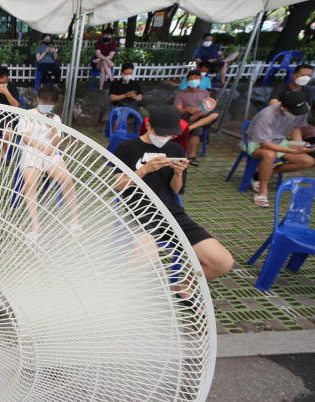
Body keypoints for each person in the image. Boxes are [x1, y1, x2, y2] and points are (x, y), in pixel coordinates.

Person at [114, 106, 233, 308]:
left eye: (171, 133)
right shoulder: (127, 147)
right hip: (139, 210)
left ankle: (182, 283)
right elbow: (119, 185)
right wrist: (144, 169)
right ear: (149, 126)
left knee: (222, 262)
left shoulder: (176, 149)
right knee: (147, 255)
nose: (166, 137)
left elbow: (176, 190)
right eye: (162, 133)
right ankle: (121, 293)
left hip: (171, 211)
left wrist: (178, 173)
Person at [16, 85, 80, 242]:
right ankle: (36, 226)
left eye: (50, 104)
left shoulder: (55, 118)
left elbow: (57, 141)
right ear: (38, 99)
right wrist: (43, 147)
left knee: (66, 179)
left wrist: (52, 128)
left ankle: (75, 220)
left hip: (51, 153)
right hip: (32, 150)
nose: (47, 105)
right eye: (44, 101)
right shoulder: (27, 115)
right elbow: (25, 138)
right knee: (30, 182)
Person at [241, 91, 315, 207]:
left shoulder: (300, 109)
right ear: (282, 107)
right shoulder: (266, 115)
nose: (297, 114)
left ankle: (260, 174)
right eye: (293, 112)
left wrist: (300, 144)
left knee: (308, 161)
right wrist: (293, 151)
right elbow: (265, 145)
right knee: (270, 154)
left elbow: (295, 127)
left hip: (280, 141)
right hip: (255, 142)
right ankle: (263, 192)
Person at [174, 70, 220, 167]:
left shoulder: (205, 93)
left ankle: (189, 128)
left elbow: (208, 108)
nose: (193, 80)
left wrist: (198, 115)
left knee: (215, 114)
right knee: (198, 129)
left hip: (202, 117)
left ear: (200, 79)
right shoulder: (180, 94)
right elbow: (178, 110)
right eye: (190, 79)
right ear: (187, 81)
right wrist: (188, 110)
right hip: (187, 118)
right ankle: (192, 155)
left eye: (196, 78)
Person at [268, 64, 315, 144]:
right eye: (304, 75)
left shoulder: (309, 91)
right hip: (280, 120)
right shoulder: (280, 89)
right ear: (293, 76)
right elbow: (273, 105)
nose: (306, 77)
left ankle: (303, 148)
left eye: (309, 75)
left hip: (297, 122)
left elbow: (307, 110)